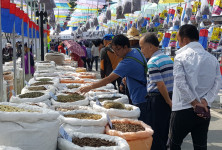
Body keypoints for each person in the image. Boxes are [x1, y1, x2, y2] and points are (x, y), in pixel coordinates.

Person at [169, 24, 222, 150]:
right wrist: (205, 101)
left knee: (174, 144)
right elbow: (217, 83)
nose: (178, 43)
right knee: (200, 145)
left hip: (183, 108)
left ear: (185, 40)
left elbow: (181, 84)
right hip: (204, 109)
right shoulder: (212, 59)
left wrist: (194, 103)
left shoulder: (180, 57)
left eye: (178, 40)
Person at [78, 34, 148, 124]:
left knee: (142, 123)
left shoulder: (127, 62)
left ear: (125, 47)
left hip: (140, 97)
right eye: (114, 50)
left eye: (118, 49)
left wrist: (90, 87)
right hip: (144, 92)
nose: (116, 53)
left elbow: (108, 79)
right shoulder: (136, 51)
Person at [140, 33, 174, 150]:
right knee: (164, 130)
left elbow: (160, 85)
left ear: (150, 46)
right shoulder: (167, 58)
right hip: (168, 97)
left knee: (155, 131)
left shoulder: (152, 61)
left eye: (142, 47)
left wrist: (168, 101)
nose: (142, 50)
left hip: (158, 99)